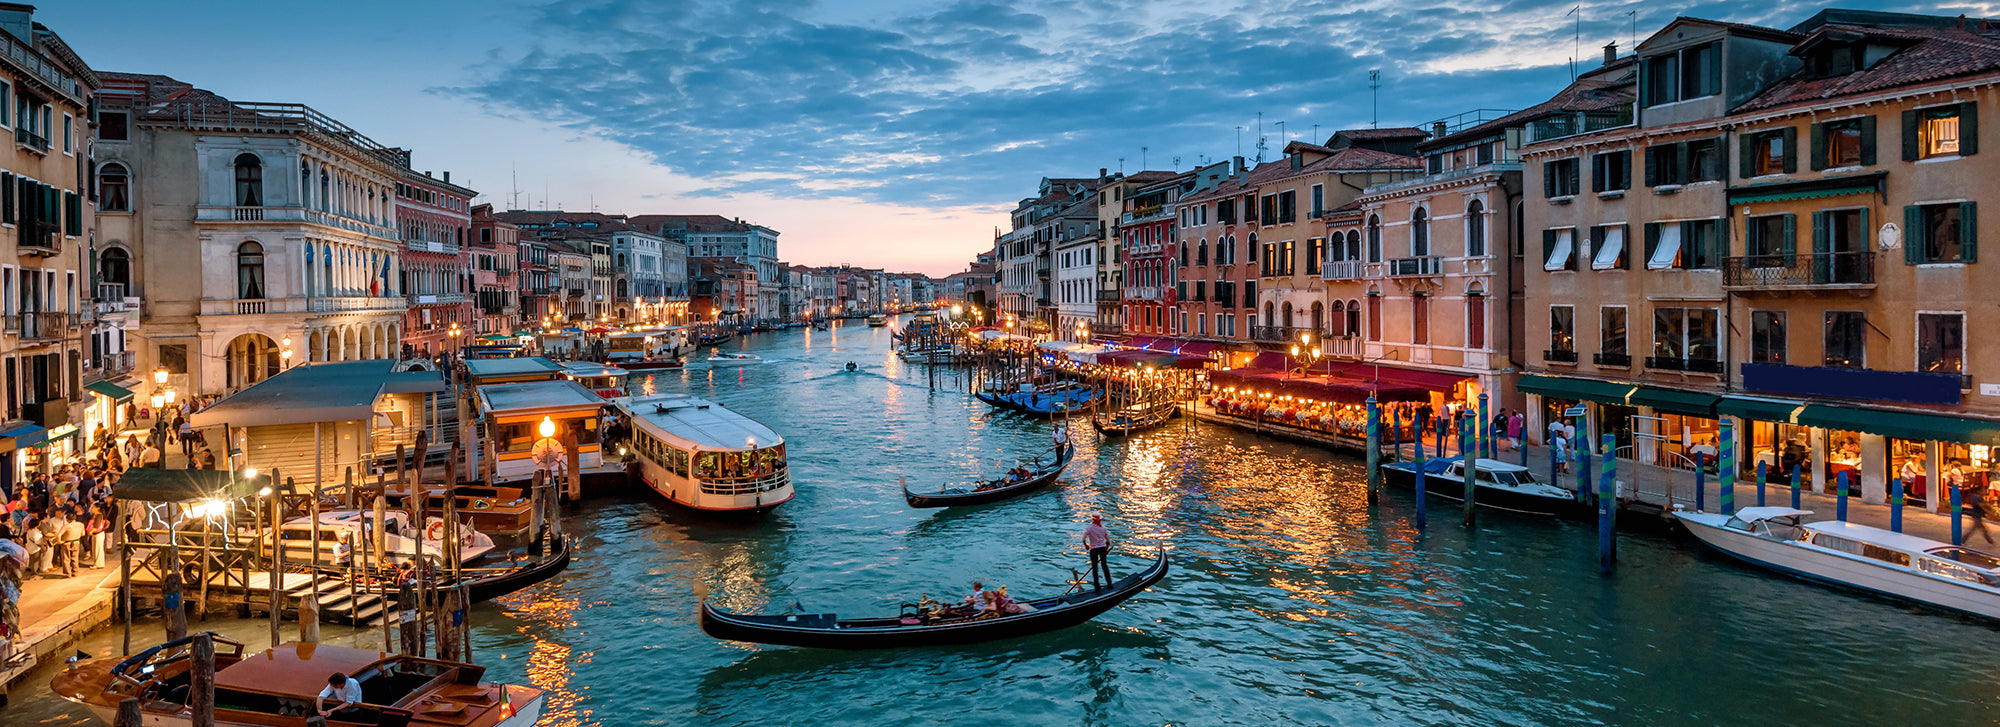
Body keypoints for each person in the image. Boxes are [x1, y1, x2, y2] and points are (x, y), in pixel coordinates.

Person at [1962, 469, 1993, 545]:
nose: (1985, 492)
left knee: (1981, 528)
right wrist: (1989, 512)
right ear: (1979, 491)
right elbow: (1982, 506)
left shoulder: (1974, 497)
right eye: (1983, 490)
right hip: (1977, 516)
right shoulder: (1977, 498)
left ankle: (1989, 540)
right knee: (1975, 529)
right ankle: (1963, 540)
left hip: (1976, 515)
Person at [1082, 514, 1111, 590]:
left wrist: (1086, 546)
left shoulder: (1089, 528)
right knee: (1104, 566)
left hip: (1094, 549)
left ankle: (1097, 587)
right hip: (1102, 548)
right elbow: (1108, 541)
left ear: (1093, 520)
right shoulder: (1103, 528)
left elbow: (1083, 539)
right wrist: (1106, 549)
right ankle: (1110, 584)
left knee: (1095, 568)